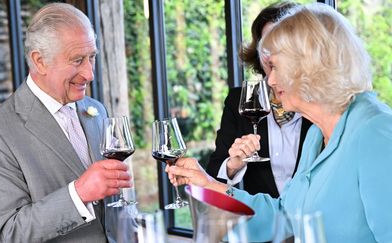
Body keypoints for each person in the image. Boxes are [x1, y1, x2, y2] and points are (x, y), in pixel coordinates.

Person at [168, 3, 392, 242]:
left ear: (309, 66)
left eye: (275, 66)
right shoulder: (317, 134)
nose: (270, 80)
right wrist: (209, 183)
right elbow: (286, 216)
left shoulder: (374, 131)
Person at [0, 3, 133, 242]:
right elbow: (12, 232)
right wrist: (78, 194)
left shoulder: (96, 110)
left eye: (92, 57)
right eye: (78, 60)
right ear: (39, 61)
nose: (89, 73)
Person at [207, 1, 312, 198]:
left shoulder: (319, 101)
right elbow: (214, 174)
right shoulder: (238, 100)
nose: (273, 56)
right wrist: (234, 164)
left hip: (315, 223)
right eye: (267, 46)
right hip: (263, 224)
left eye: (282, 46)